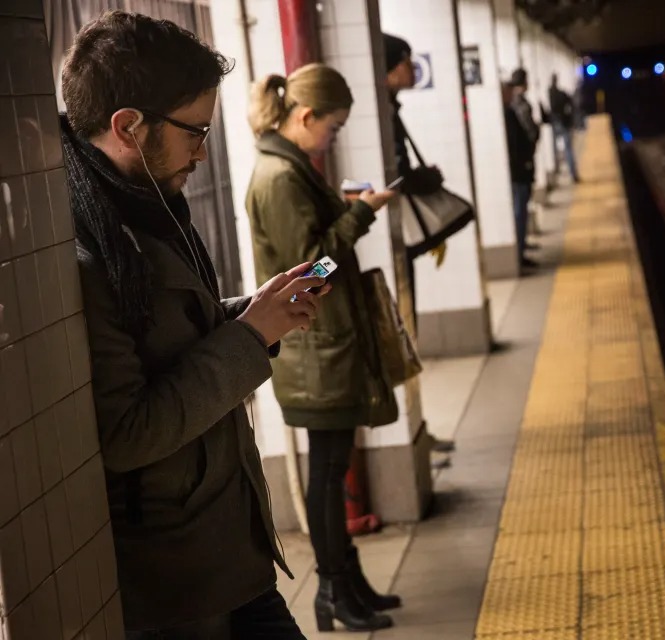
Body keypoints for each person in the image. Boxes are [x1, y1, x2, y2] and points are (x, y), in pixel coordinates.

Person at [61, 11, 327, 639]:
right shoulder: (88, 250)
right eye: (195, 132)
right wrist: (249, 334)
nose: (203, 153)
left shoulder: (145, 206)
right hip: (176, 580)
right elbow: (127, 431)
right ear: (129, 126)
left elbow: (171, 339)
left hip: (226, 545)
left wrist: (250, 311)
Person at [245, 63, 399, 633]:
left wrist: (344, 205)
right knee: (328, 474)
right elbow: (314, 271)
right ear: (305, 117)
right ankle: (333, 591)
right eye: (332, 128)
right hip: (315, 352)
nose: (333, 139)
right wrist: (361, 214)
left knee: (333, 471)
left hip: (324, 348)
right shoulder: (279, 178)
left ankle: (348, 583)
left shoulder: (291, 169)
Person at [382, 32, 456, 455]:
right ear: (392, 67)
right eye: (408, 61)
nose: (414, 70)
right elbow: (395, 178)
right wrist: (429, 179)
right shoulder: (383, 114)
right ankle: (412, 431)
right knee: (404, 330)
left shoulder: (388, 109)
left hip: (397, 242)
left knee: (408, 329)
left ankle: (417, 427)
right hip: (389, 247)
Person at [506, 69, 540, 269]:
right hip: (520, 168)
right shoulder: (519, 106)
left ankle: (521, 249)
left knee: (521, 208)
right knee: (520, 209)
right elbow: (528, 133)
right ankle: (519, 253)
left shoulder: (513, 106)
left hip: (519, 167)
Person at [549, 73, 580, 183]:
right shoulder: (561, 94)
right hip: (563, 123)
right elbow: (571, 102)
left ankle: (557, 169)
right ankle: (573, 173)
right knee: (568, 149)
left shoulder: (549, 94)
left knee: (555, 149)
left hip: (554, 123)